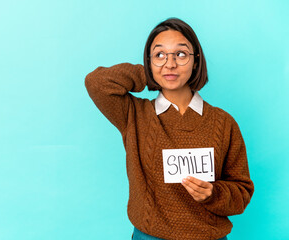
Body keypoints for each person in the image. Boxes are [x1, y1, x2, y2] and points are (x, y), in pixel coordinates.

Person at [85, 17, 254, 240]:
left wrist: (213, 194)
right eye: (160, 54)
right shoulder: (134, 115)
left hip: (209, 236)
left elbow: (242, 191)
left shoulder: (223, 122)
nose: (171, 63)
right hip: (149, 235)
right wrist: (154, 71)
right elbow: (97, 82)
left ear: (196, 61)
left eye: (181, 54)